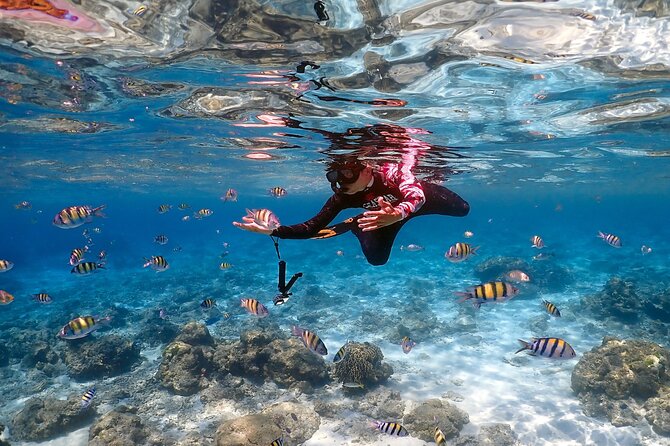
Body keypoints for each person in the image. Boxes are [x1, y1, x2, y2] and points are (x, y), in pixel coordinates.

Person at [232, 159, 470, 266]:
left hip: (420, 201)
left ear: (367, 169)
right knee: (377, 260)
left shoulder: (391, 172)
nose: (340, 183)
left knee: (462, 210)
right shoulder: (343, 197)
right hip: (381, 218)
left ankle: (372, 220)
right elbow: (311, 227)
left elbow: (416, 197)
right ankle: (357, 225)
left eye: (347, 174)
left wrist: (398, 212)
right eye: (335, 177)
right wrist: (275, 231)